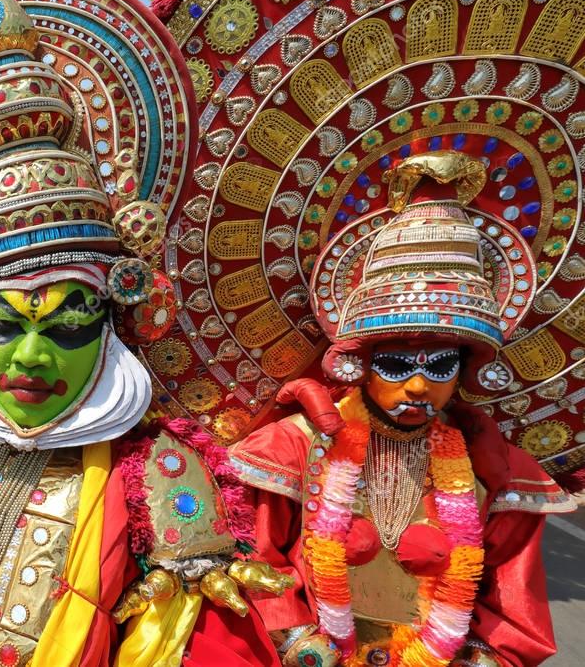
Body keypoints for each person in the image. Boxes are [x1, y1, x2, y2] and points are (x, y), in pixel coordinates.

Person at [0, 0, 342, 663]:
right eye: (2, 323)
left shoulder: (160, 481)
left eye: (67, 326)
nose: (29, 356)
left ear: (115, 322)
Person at [229, 153, 576, 666]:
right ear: (361, 364)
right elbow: (255, 561)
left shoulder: (497, 473)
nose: (417, 386)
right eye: (395, 364)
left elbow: (511, 607)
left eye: (439, 367)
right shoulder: (294, 447)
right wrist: (298, 642)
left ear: (465, 371)